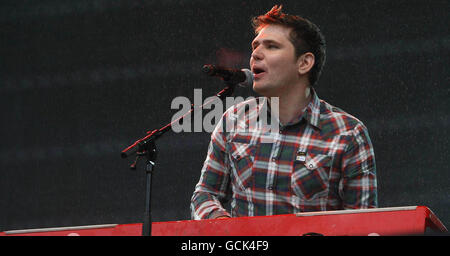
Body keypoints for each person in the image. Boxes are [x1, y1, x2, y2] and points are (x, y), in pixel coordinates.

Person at [190, 5, 377, 220]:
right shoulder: (233, 120)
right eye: (255, 46)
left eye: (271, 47)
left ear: (304, 63)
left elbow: (364, 222)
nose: (255, 55)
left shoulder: (348, 133)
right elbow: (205, 193)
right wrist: (220, 225)